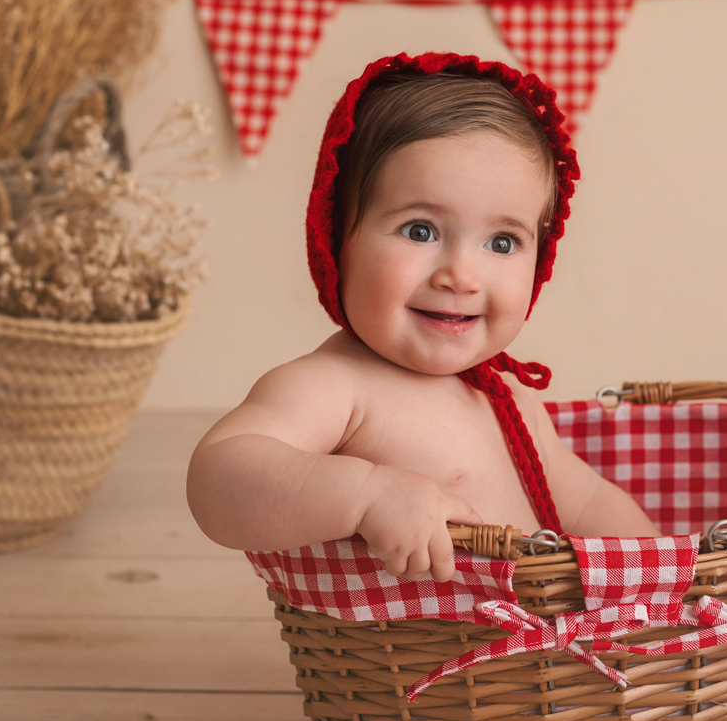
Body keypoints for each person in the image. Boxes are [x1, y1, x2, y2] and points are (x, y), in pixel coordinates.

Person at [187, 52, 660, 584]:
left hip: (551, 657)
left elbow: (587, 501)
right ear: (336, 237)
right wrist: (366, 494)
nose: (461, 275)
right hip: (420, 655)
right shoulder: (333, 386)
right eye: (420, 231)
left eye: (502, 242)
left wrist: (671, 575)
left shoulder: (506, 394)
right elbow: (218, 474)